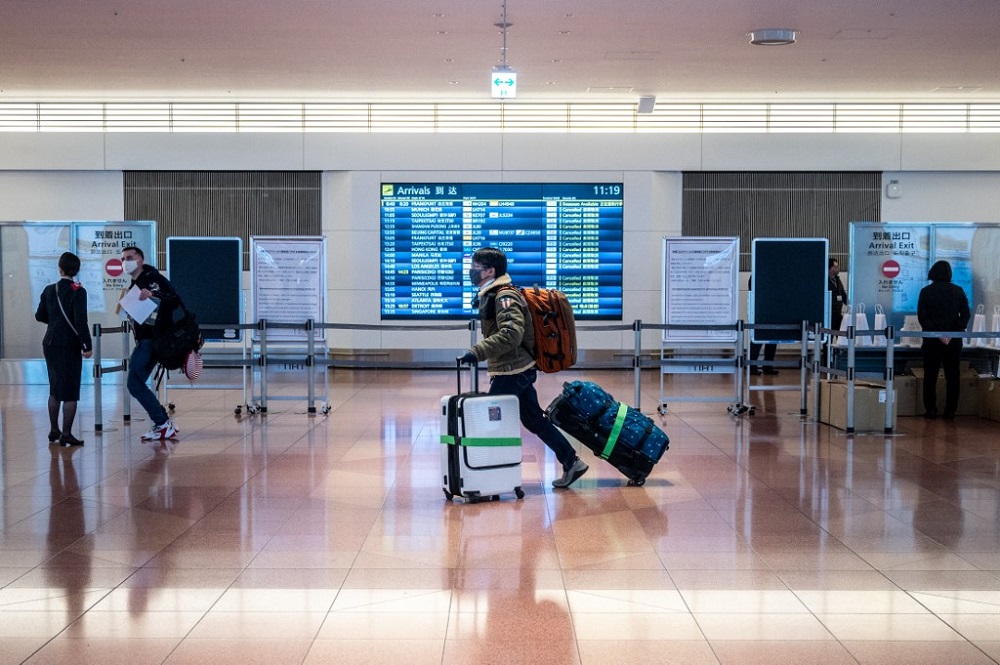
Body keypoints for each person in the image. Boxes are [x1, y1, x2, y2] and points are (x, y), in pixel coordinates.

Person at [459, 247, 588, 489]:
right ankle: (572, 461)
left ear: (490, 271)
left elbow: (511, 334)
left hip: (513, 370)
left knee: (491, 420)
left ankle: (489, 477)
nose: (471, 272)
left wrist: (477, 351)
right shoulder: (492, 293)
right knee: (534, 420)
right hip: (514, 368)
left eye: (475, 268)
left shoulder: (504, 296)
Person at [121, 245, 181, 440]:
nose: (125, 262)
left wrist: (154, 295)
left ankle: (162, 423)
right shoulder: (136, 283)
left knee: (134, 382)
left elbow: (174, 300)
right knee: (135, 381)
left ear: (139, 260)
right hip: (145, 339)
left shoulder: (153, 279)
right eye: (123, 259)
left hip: (151, 339)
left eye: (129, 258)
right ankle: (163, 422)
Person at [35, 252, 93, 446]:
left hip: (50, 343)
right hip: (69, 345)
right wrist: (87, 345)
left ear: (59, 268)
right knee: (70, 390)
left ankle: (54, 430)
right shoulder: (78, 291)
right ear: (77, 270)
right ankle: (66, 434)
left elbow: (39, 315)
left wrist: (55, 323)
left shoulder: (49, 289)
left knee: (55, 388)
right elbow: (80, 321)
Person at [917, 260, 971, 419]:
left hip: (931, 340)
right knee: (953, 376)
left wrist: (937, 333)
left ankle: (931, 410)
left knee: (930, 376)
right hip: (953, 340)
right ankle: (950, 411)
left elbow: (923, 317)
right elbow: (965, 315)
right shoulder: (958, 291)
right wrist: (951, 332)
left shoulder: (926, 292)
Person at [828, 258, 848, 330]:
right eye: (836, 267)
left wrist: (850, 305)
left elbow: (843, 294)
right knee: (829, 336)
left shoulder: (837, 280)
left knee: (840, 336)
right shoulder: (825, 281)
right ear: (830, 268)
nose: (838, 268)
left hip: (838, 314)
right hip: (829, 315)